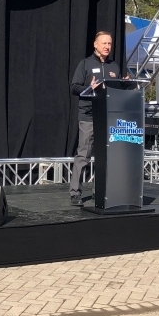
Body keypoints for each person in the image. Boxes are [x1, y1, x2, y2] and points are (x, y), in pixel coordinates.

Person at [69, 30, 123, 206]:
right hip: (88, 115)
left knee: (105, 156)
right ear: (95, 44)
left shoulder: (114, 66)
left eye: (109, 43)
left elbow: (117, 90)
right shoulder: (85, 64)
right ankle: (75, 193)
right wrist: (90, 88)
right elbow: (74, 87)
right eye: (104, 43)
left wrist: (125, 85)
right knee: (83, 154)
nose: (107, 46)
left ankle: (99, 191)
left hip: (107, 116)